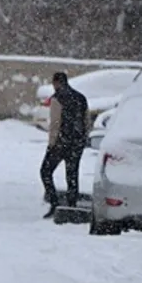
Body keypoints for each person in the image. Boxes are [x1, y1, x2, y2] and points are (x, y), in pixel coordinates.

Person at [41, 71, 89, 219]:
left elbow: (55, 124)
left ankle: (54, 202)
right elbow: (86, 121)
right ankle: (72, 205)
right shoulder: (81, 98)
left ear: (56, 82)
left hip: (61, 142)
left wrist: (51, 144)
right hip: (77, 142)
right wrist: (82, 138)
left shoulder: (57, 99)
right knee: (72, 174)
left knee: (45, 171)